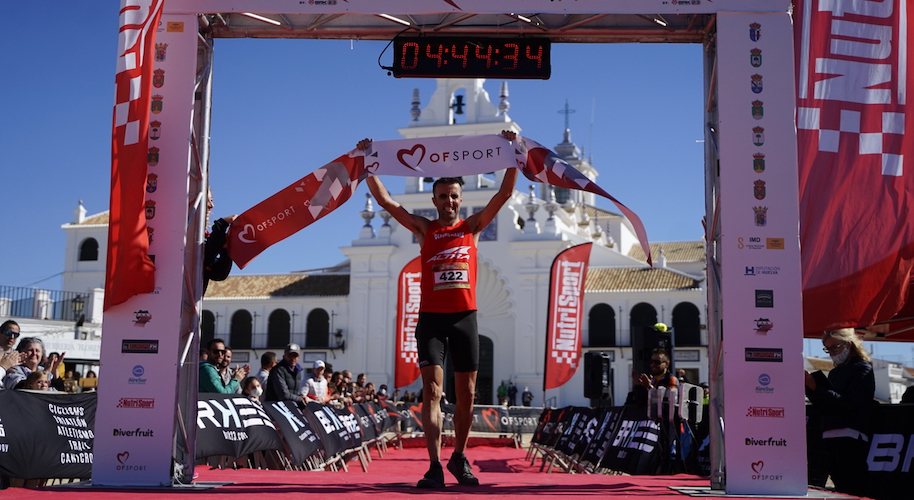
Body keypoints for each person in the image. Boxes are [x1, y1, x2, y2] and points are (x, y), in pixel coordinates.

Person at [362, 131, 519, 488]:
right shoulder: (424, 228)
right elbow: (386, 202)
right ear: (434, 200)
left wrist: (512, 153)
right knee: (432, 391)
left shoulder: (472, 227)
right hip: (431, 320)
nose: (449, 201)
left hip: (466, 318)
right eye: (443, 196)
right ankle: (433, 465)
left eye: (454, 196)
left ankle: (459, 457)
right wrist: (368, 163)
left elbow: (505, 193)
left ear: (461, 200)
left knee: (467, 394)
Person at [805, 328, 875, 497]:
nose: (831, 353)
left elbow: (848, 404)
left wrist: (816, 388)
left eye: (834, 347)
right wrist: (811, 389)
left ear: (848, 344)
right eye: (827, 349)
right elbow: (826, 405)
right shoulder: (836, 372)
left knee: (853, 484)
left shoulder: (862, 369)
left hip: (851, 433)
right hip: (830, 432)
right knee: (840, 486)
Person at [203, 188, 237, 294]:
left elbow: (217, 273)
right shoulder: (180, 234)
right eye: (205, 200)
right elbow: (205, 254)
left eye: (211, 200)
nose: (211, 206)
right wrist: (221, 224)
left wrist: (225, 251)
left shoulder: (204, 235)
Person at [0, 320, 23, 387]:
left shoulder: (16, 356)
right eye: (8, 333)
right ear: (0, 333)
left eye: (16, 335)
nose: (12, 337)